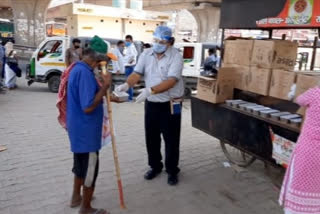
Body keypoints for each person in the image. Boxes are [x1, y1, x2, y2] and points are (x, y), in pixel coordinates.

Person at [116, 26, 184, 186]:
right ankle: (155, 166)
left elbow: (172, 80)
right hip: (152, 104)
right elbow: (137, 73)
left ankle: (172, 170)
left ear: (170, 42)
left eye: (162, 41)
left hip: (171, 104)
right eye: (155, 40)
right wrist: (126, 85)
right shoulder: (146, 54)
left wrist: (150, 90)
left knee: (172, 139)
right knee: (151, 138)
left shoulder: (176, 57)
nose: (158, 44)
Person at [67, 45, 111, 214]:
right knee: (90, 169)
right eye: (101, 62)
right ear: (95, 60)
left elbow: (87, 97)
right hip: (86, 131)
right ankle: (86, 207)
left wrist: (105, 92)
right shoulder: (84, 73)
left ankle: (76, 197)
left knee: (79, 164)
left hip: (78, 129)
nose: (102, 66)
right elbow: (87, 106)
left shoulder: (78, 69)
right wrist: (105, 86)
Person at [279, 86, 320, 214]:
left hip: (308, 149)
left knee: (298, 180)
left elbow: (299, 100)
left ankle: (295, 210)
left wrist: (295, 89)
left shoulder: (315, 93)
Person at [123, 35, 138, 101]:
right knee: (129, 82)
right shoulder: (130, 47)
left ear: (131, 41)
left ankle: (129, 98)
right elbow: (136, 54)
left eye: (128, 41)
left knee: (129, 82)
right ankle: (129, 97)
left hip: (129, 66)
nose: (127, 42)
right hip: (130, 66)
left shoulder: (131, 47)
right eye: (126, 41)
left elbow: (132, 55)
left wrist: (129, 62)